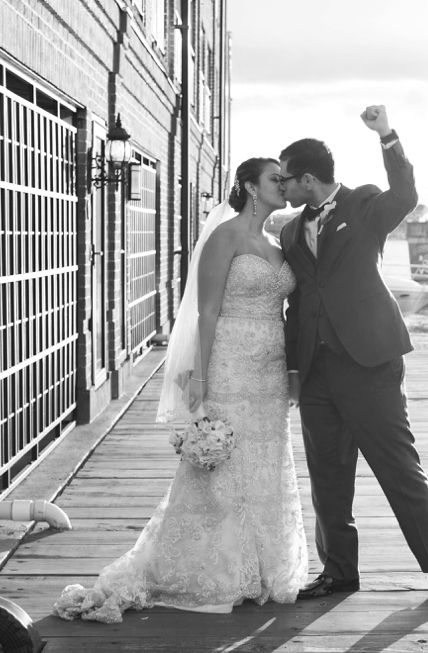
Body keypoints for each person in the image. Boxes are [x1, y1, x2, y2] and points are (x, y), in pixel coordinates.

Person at [52, 158, 308, 623]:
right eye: (275, 178)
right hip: (230, 363)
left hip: (270, 368)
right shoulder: (224, 237)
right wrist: (203, 375)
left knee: (267, 462)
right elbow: (205, 313)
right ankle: (218, 567)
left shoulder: (277, 241)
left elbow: (286, 309)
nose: (284, 184)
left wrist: (291, 371)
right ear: (251, 186)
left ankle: (264, 566)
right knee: (223, 467)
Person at [278, 105, 428, 603]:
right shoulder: (292, 230)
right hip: (316, 373)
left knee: (399, 469)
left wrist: (385, 134)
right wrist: (294, 369)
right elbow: (299, 302)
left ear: (309, 179)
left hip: (371, 364)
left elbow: (407, 194)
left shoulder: (363, 205)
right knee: (328, 479)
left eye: (287, 179)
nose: (283, 186)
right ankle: (339, 571)